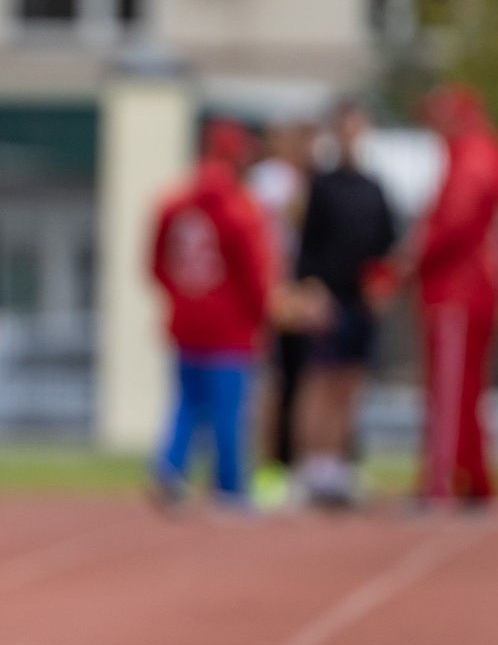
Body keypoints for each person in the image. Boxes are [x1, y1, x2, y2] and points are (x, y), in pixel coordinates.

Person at [395, 84, 498, 508]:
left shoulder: (470, 156)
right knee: (466, 389)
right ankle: (473, 478)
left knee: (450, 388)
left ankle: (442, 480)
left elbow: (454, 223)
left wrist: (412, 261)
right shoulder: (481, 153)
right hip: (473, 289)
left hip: (457, 291)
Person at [148, 118, 273, 508]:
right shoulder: (241, 209)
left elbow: (155, 263)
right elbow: (254, 273)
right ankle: (230, 485)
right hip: (230, 326)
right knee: (228, 410)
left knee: (186, 402)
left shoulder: (172, 203)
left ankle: (170, 468)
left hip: (186, 320)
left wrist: (179, 297)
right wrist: (261, 314)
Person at [291, 99, 399, 509]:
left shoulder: (375, 188)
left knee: (350, 384)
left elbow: (387, 248)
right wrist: (311, 291)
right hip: (328, 299)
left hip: (361, 301)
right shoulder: (322, 186)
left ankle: (336, 467)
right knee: (320, 382)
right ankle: (310, 467)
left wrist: (383, 287)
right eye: (346, 127)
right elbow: (306, 250)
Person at [245, 119, 315, 507]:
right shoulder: (268, 180)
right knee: (270, 385)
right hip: (273, 292)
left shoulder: (303, 179)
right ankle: (267, 468)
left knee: (299, 382)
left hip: (297, 290)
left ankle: (297, 464)